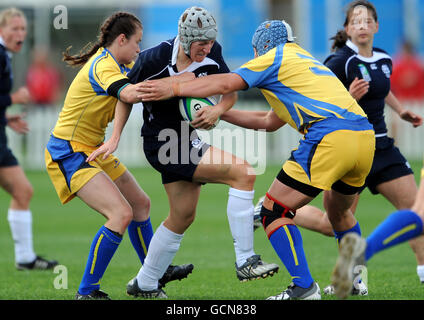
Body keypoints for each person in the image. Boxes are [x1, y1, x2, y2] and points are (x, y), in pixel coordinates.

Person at [136, 18, 377, 300]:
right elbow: (269, 120)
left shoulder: (273, 57)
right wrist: (219, 113)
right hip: (363, 138)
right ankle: (353, 281)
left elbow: (228, 82)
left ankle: (303, 287)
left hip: (330, 137)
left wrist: (174, 88)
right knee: (339, 213)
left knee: (273, 210)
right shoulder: (304, 60)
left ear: (262, 46)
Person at [88, 6, 279, 299]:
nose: (207, 48)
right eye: (201, 43)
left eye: (210, 42)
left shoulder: (214, 54)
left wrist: (216, 110)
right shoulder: (153, 58)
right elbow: (126, 96)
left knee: (182, 216)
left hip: (185, 139)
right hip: (162, 142)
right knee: (243, 173)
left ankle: (145, 283)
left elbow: (229, 92)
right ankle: (245, 260)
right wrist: (114, 138)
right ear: (185, 38)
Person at [45, 12, 192, 300]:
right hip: (70, 151)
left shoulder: (113, 63)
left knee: (140, 204)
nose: (139, 48)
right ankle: (86, 292)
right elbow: (127, 95)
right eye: (136, 42)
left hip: (92, 149)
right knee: (120, 214)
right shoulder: (104, 67)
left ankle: (153, 274)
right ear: (121, 39)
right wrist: (177, 88)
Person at [285, 0, 424, 293]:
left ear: (375, 26)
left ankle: (421, 273)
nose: (361, 25)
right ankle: (272, 210)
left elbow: (382, 89)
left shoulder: (385, 58)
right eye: (355, 21)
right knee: (330, 223)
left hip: (382, 148)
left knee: (416, 212)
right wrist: (349, 96)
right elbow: (319, 101)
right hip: (350, 149)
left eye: (366, 21)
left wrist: (400, 111)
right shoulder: (338, 62)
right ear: (347, 28)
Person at [0, 7, 58, 271]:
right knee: (23, 190)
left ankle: (25, 257)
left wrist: (7, 117)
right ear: (2, 30)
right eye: (14, 28)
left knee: (23, 190)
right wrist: (14, 99)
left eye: (23, 29)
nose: (20, 33)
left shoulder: (5, 56)